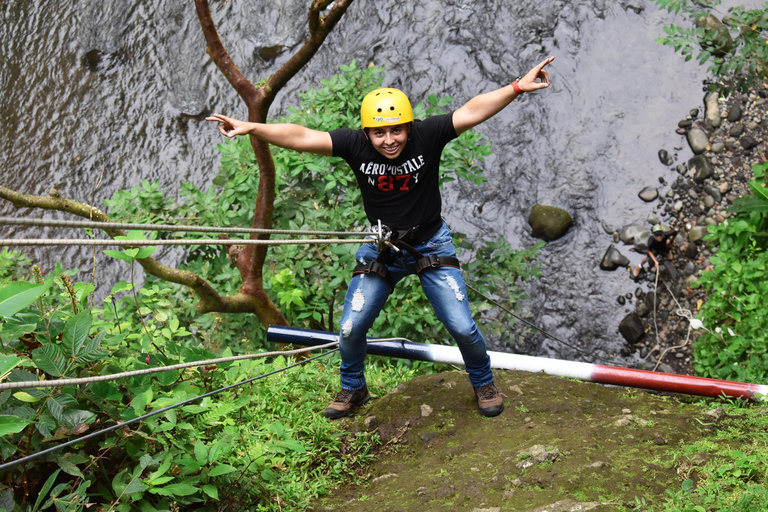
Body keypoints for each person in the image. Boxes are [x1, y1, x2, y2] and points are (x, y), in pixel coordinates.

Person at [206, 56, 555, 419]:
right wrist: (252, 126)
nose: (389, 141)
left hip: (430, 242)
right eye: (379, 133)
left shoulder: (428, 134)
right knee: (351, 326)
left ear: (408, 126)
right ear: (367, 132)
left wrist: (516, 86)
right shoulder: (355, 145)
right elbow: (302, 136)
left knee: (462, 326)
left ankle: (483, 381)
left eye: (397, 131)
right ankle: (354, 386)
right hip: (382, 246)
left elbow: (472, 110)